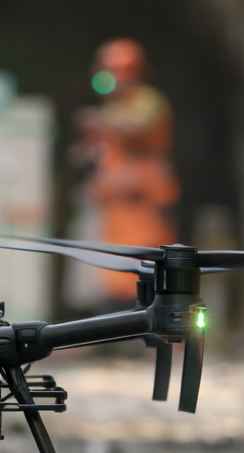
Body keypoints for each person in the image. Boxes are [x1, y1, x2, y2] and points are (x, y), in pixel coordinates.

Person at [70, 39, 179, 307]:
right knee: (109, 266)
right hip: (112, 202)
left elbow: (138, 125)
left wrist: (100, 122)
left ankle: (151, 333)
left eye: (118, 70)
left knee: (144, 260)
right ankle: (110, 330)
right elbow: (96, 151)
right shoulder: (112, 109)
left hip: (141, 199)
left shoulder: (148, 100)